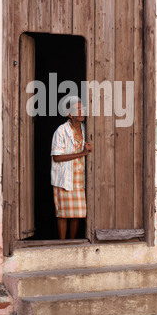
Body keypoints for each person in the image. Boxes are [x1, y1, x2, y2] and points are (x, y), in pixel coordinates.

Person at [51, 96, 92, 239]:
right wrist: (81, 153)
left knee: (77, 214)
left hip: (79, 178)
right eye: (78, 109)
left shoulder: (87, 129)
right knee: (63, 214)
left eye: (83, 109)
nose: (82, 112)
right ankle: (62, 243)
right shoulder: (61, 131)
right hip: (65, 177)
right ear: (70, 114)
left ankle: (72, 241)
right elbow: (56, 157)